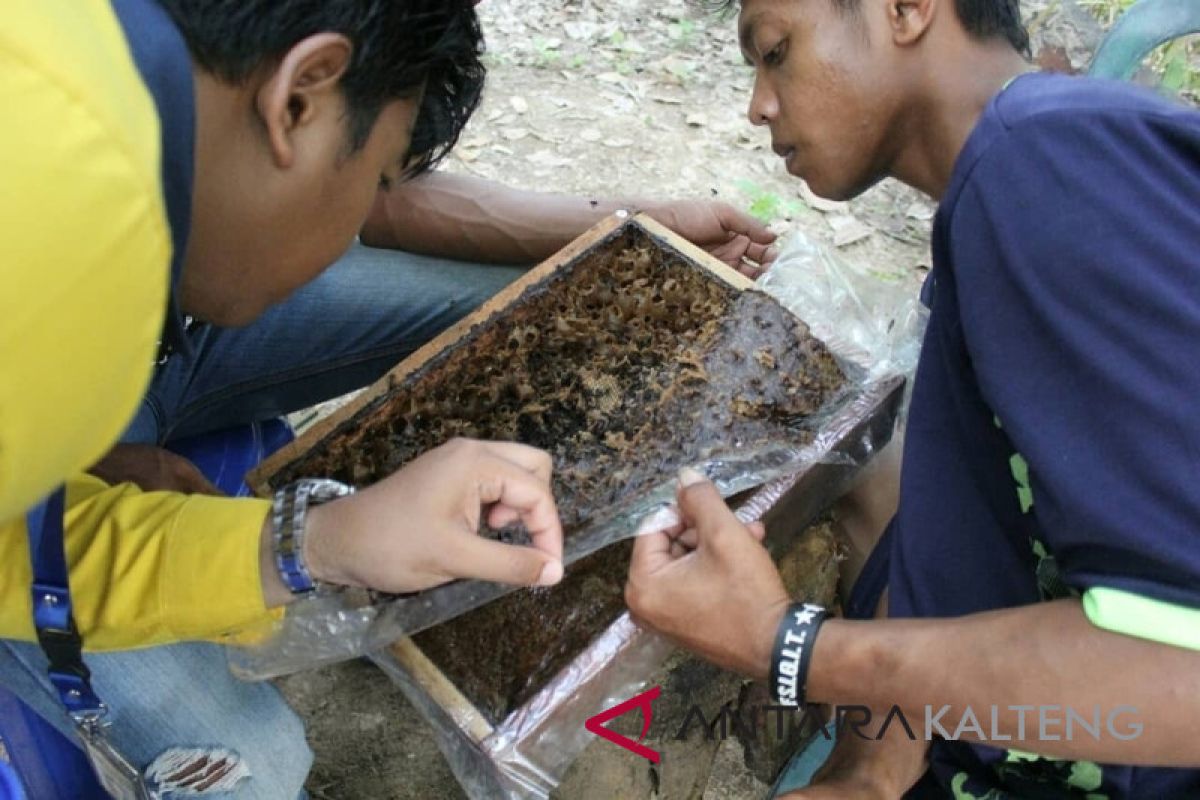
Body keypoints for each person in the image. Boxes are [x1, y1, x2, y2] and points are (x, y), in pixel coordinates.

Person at [1, 2, 779, 797]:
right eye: (374, 170)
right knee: (257, 773)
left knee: (562, 294)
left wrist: (623, 225)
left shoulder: (132, 69)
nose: (358, 220)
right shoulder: (47, 258)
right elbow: (20, 561)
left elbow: (386, 208)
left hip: (128, 354)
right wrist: (300, 540)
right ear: (299, 97)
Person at [626, 0, 1200, 797]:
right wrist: (872, 769)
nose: (757, 103)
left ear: (904, 10)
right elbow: (971, 510)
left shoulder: (1040, 160)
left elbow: (1184, 669)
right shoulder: (1003, 188)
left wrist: (786, 644)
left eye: (776, 51)